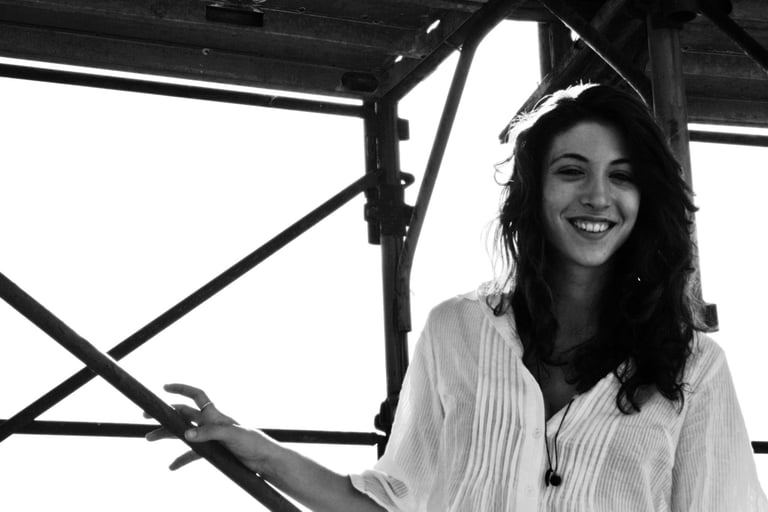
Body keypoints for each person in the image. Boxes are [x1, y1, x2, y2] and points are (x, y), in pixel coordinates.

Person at [146, 84, 768, 511]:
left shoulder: (694, 369)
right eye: (571, 170)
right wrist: (257, 449)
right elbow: (392, 503)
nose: (598, 197)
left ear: (644, 200)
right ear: (533, 190)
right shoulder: (457, 331)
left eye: (622, 176)